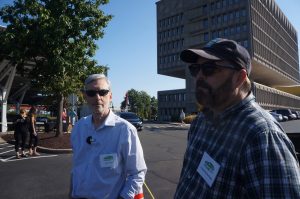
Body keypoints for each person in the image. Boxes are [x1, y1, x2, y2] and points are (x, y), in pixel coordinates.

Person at [174, 38, 300, 198]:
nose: (199, 76)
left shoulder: (262, 136)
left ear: (239, 78)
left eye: (209, 68)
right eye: (195, 69)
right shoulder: (200, 122)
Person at [70, 74, 147, 199]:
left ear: (110, 96)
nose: (97, 97)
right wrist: (71, 193)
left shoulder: (125, 130)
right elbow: (76, 168)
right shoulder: (79, 128)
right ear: (85, 97)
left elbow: (137, 172)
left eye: (102, 92)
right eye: (91, 93)